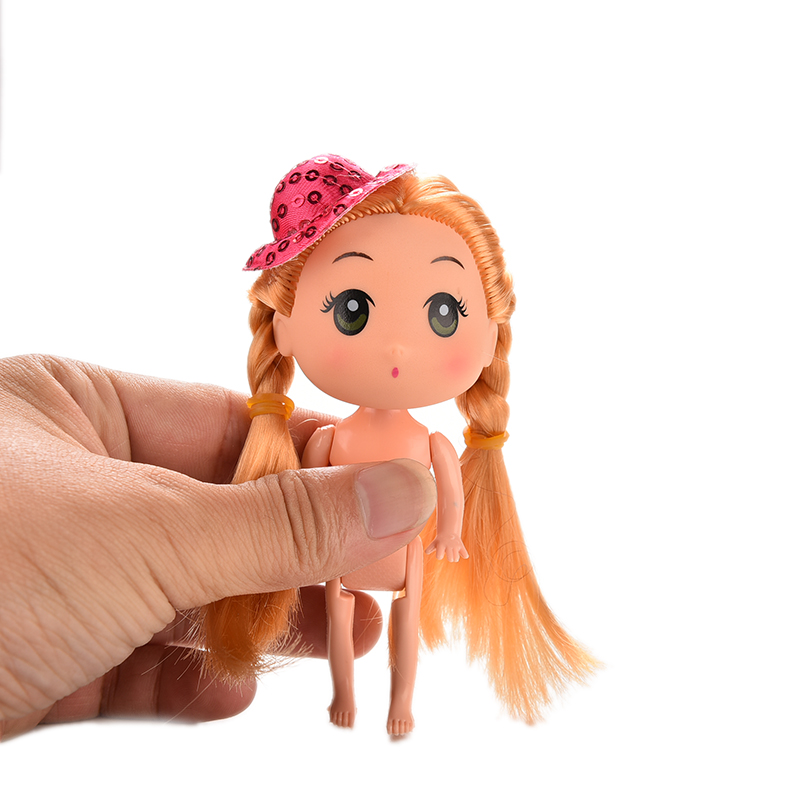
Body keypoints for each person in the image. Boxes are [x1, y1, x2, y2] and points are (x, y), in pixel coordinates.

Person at [0, 353, 436, 741]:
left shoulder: (427, 440)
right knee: (340, 620)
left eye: (443, 314)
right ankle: (344, 695)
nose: (396, 349)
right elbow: (308, 480)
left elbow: (449, 498)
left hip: (407, 556)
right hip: (345, 565)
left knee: (403, 620)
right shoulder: (330, 437)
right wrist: (309, 520)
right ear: (284, 333)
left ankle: (402, 702)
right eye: (352, 311)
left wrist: (448, 533)